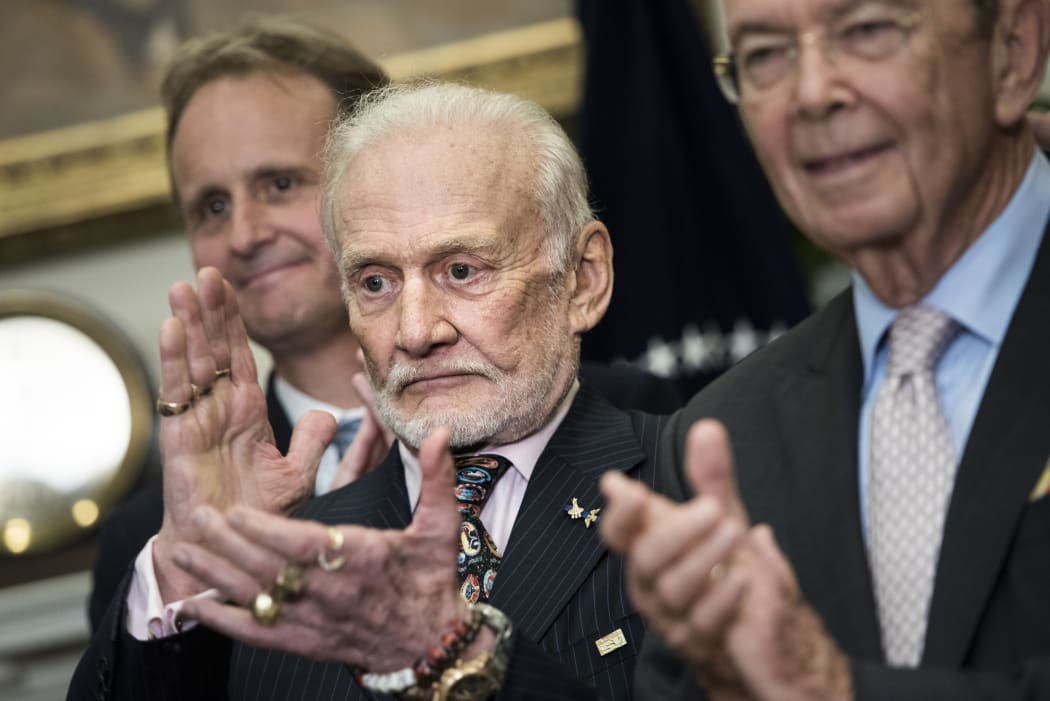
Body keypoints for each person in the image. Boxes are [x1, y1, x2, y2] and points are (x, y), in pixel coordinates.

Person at [70, 81, 674, 701]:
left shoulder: (692, 483)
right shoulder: (291, 547)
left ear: (582, 280)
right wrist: (191, 564)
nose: (415, 332)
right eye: (377, 282)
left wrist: (446, 649)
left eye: (461, 271)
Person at [601, 0, 1050, 698]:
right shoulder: (726, 432)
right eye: (766, 54)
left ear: (1014, 49)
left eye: (867, 31)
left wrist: (829, 688)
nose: (812, 93)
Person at [86, 19, 390, 632]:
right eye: (213, 207)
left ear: (383, 178)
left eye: (280, 184)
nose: (246, 236)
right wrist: (192, 573)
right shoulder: (157, 534)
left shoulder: (619, 413)